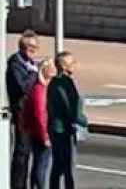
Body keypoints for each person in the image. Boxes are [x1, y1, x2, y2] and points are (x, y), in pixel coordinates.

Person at [45, 52, 86, 189]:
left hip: (60, 128)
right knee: (66, 166)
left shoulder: (58, 82)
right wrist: (83, 121)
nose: (75, 65)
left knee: (60, 165)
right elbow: (69, 107)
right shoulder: (63, 83)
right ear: (64, 66)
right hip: (62, 129)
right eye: (72, 62)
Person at [6, 32, 40, 189]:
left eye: (36, 47)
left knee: (28, 152)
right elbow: (22, 87)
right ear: (23, 47)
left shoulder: (28, 63)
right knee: (22, 151)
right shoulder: (16, 65)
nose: (34, 50)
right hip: (21, 112)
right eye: (31, 47)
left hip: (30, 112)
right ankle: (17, 185)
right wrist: (34, 74)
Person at [22, 60, 54, 189]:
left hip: (36, 131)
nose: (54, 70)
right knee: (42, 163)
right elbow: (40, 114)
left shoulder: (40, 87)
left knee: (39, 162)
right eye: (51, 68)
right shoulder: (40, 90)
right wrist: (45, 135)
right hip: (40, 132)